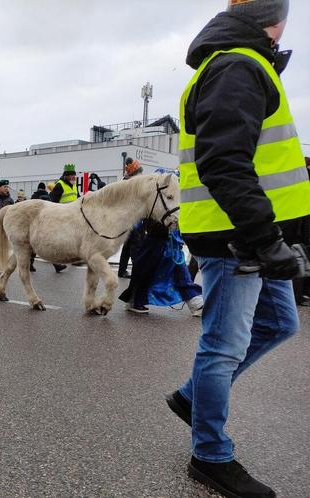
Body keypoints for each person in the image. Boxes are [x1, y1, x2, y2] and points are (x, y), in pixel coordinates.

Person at [166, 2, 310, 496]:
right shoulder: (237, 65)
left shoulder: (243, 61)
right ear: (275, 16)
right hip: (237, 237)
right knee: (223, 346)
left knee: (279, 323)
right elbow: (223, 160)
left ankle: (192, 398)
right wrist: (266, 238)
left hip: (246, 231)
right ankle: (210, 454)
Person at [49, 164, 79, 272]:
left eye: (74, 175)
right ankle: (56, 262)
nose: (72, 177)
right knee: (58, 242)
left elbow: (77, 198)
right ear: (65, 176)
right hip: (61, 217)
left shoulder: (74, 185)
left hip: (73, 217)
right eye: (70, 175)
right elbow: (53, 202)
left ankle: (72, 259)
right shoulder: (60, 185)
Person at [117, 158, 144, 278]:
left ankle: (122, 270)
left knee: (127, 246)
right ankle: (138, 272)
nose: (141, 175)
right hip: (133, 219)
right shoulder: (131, 184)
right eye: (139, 172)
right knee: (135, 246)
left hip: (126, 219)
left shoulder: (125, 181)